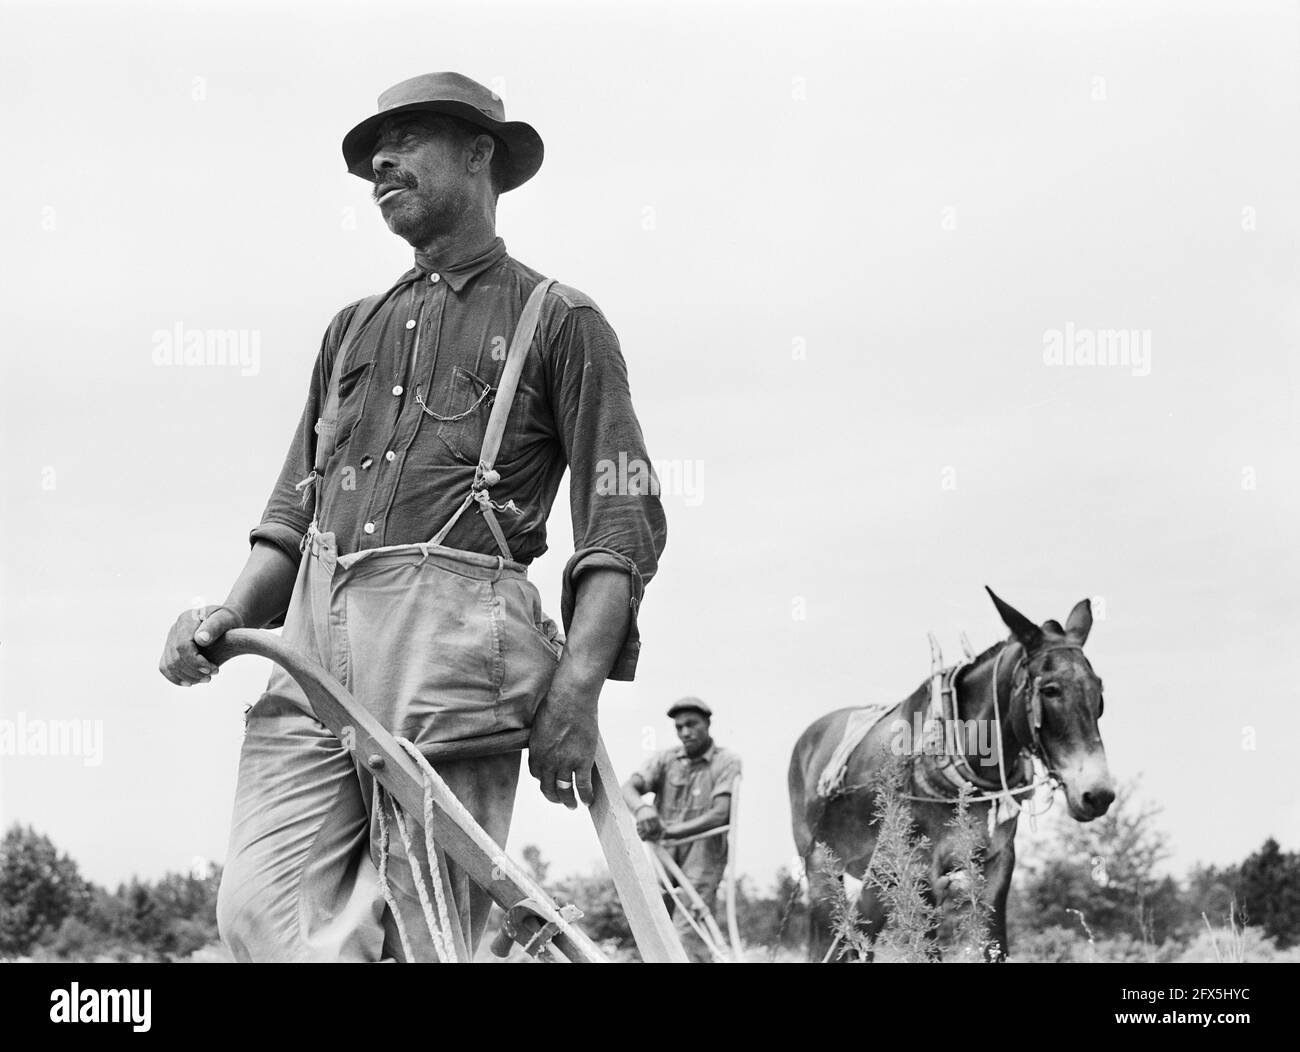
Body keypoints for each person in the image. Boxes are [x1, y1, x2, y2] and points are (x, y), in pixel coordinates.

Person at [157, 72, 666, 962]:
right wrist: (228, 616)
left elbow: (619, 517)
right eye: (372, 154)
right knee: (258, 915)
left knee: (432, 927)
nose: (381, 163)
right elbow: (292, 507)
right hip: (315, 644)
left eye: (409, 139)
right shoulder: (351, 330)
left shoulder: (562, 322)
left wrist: (577, 690)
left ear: (481, 156)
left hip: (454, 652)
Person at [622, 698, 740, 962]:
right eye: (679, 727)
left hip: (703, 854)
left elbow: (721, 814)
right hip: (663, 855)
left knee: (690, 926)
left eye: (692, 724)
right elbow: (628, 788)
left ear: (707, 723)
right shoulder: (665, 760)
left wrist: (668, 831)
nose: (685, 732)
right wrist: (642, 810)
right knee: (656, 921)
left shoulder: (727, 762)